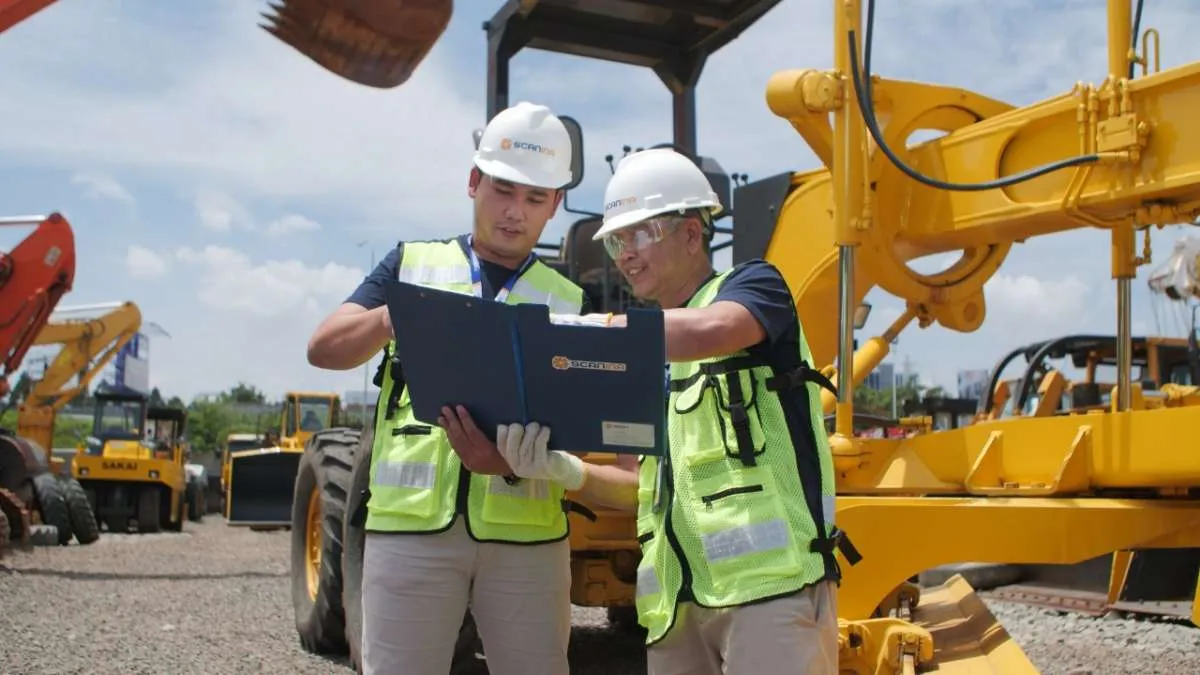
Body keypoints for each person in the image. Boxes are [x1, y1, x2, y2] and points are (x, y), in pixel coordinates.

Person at [492, 147, 859, 674]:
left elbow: (716, 329)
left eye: (639, 234)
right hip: (674, 609)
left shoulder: (755, 288)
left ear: (692, 233)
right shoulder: (645, 351)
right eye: (616, 240)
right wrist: (560, 470)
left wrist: (598, 332)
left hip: (771, 594)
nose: (624, 255)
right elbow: (633, 484)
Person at [306, 101, 594, 675]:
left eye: (536, 199)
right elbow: (324, 348)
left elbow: (578, 440)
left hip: (527, 542)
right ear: (472, 182)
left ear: (556, 205)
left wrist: (518, 461)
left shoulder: (569, 299)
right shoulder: (410, 265)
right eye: (503, 191)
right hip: (410, 532)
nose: (516, 213)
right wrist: (395, 316)